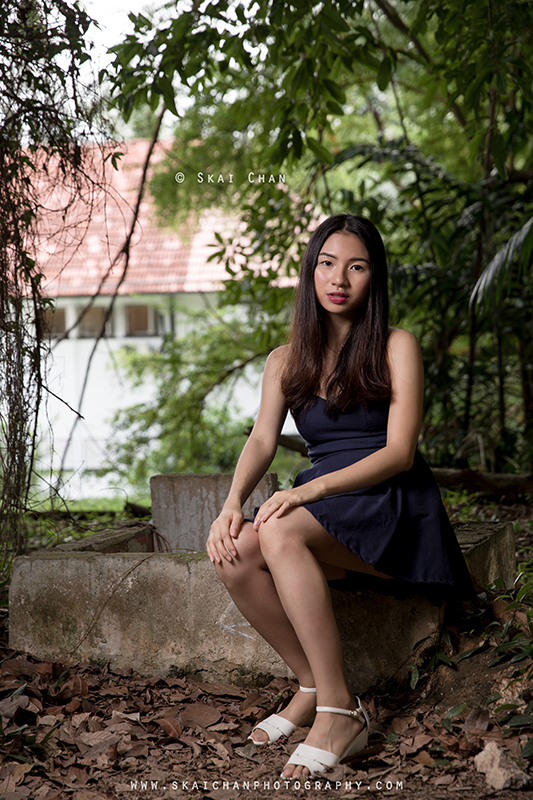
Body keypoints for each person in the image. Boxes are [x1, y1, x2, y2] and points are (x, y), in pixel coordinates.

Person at [206, 214, 472, 780]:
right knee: (236, 548)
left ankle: (339, 712)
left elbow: (399, 452)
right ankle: (311, 686)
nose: (339, 279)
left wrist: (310, 492)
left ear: (374, 277)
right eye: (327, 264)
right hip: (326, 507)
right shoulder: (287, 358)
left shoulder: (397, 345)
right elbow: (261, 438)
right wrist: (232, 504)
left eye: (356, 267)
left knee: (276, 526)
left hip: (392, 502)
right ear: (310, 271)